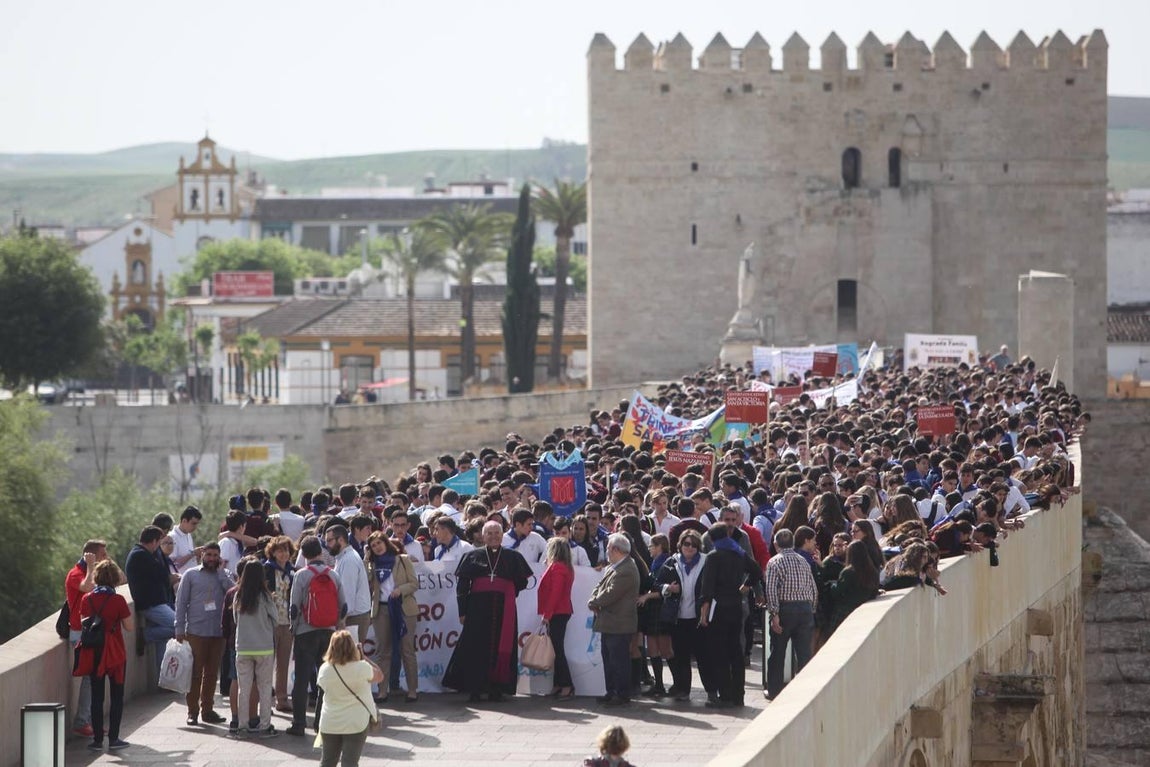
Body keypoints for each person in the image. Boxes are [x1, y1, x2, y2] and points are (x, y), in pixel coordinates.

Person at [443, 520, 533, 702]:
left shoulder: (512, 556)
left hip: (503, 609)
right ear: (483, 536)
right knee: (475, 648)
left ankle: (496, 688)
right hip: (477, 609)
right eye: (489, 533)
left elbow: (522, 581)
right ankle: (474, 688)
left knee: (501, 645)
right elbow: (462, 586)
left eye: (497, 533)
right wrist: (463, 611)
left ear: (502, 535)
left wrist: (507, 591)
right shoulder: (472, 556)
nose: (493, 536)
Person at [286, 535, 348, 737]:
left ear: (303, 554)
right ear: (321, 553)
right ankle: (321, 722)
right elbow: (343, 606)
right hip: (329, 632)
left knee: (302, 679)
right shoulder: (334, 574)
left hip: (306, 631)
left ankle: (298, 723)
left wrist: (293, 628)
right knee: (325, 679)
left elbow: (294, 607)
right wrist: (337, 627)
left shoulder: (301, 575)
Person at [698, 522, 764, 708]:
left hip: (718, 608)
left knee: (719, 651)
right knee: (736, 651)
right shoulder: (739, 553)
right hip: (736, 604)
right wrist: (746, 585)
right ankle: (738, 695)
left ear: (712, 539)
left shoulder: (713, 556)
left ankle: (725, 693)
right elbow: (757, 571)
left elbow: (708, 587)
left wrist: (704, 612)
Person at [174, 541, 234, 726]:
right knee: (195, 673)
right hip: (196, 631)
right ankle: (193, 712)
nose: (212, 559)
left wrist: (221, 574)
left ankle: (208, 710)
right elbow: (181, 602)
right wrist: (179, 627)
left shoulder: (224, 575)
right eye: (209, 555)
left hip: (218, 632)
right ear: (202, 556)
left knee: (211, 674)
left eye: (215, 556)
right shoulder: (190, 575)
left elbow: (233, 593)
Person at [78, 559, 134, 752]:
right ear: (115, 579)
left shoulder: (87, 599)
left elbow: (83, 622)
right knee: (117, 696)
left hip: (94, 652)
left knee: (96, 696)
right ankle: (114, 738)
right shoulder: (118, 600)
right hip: (115, 652)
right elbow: (129, 626)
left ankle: (97, 740)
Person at [365, 531, 420, 703]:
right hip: (381, 610)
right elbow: (366, 581)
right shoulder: (372, 565)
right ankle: (382, 691)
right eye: (373, 546)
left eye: (379, 543)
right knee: (383, 651)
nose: (377, 548)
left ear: (385, 543)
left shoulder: (402, 559)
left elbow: (414, 583)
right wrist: (367, 559)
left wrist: (400, 590)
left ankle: (412, 690)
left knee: (407, 650)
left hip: (403, 608)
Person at [764, 528, 818, 700]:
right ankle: (805, 691)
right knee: (803, 653)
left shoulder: (774, 562)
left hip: (785, 609)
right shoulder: (803, 561)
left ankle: (774, 690)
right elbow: (812, 587)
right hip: (805, 609)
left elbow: (771, 590)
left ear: (776, 544)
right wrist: (812, 609)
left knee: (778, 652)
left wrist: (774, 614)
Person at [655, 529, 709, 701]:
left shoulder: (705, 562)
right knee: (680, 655)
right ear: (680, 545)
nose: (690, 548)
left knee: (703, 656)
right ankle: (683, 689)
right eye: (686, 544)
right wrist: (668, 589)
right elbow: (657, 583)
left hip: (699, 617)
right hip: (677, 617)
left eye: (694, 545)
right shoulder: (672, 562)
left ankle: (711, 691)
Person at [64, 539, 111, 738]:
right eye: (102, 554)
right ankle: (82, 721)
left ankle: (89, 721)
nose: (105, 557)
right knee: (90, 678)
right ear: (90, 556)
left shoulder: (96, 571)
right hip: (80, 633)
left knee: (94, 677)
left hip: (93, 631)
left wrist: (103, 564)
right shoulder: (75, 573)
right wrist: (91, 565)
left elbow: (122, 579)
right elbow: (87, 587)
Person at [587, 533, 640, 706]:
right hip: (609, 622)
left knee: (619, 661)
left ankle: (621, 693)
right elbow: (600, 586)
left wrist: (594, 602)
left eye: (609, 548)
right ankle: (611, 691)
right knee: (609, 660)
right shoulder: (614, 567)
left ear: (616, 549)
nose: (607, 551)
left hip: (619, 623)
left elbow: (611, 593)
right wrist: (594, 599)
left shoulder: (627, 569)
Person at [317, 630, 383, 767]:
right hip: (356, 722)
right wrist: (363, 657)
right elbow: (380, 675)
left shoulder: (324, 670)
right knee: (350, 763)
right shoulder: (362, 668)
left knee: (327, 762)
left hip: (330, 722)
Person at [233, 555, 279, 738]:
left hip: (243, 647)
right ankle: (265, 726)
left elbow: (236, 620)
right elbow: (275, 620)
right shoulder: (265, 596)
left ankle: (242, 726)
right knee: (265, 688)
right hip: (264, 647)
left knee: (243, 689)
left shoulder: (238, 595)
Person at [125, 525, 177, 660]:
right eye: (159, 542)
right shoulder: (141, 555)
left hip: (156, 602)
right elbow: (161, 574)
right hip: (151, 605)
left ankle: (161, 680)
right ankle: (146, 635)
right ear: (154, 541)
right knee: (180, 627)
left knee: (162, 647)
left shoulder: (144, 554)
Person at [537, 536, 576, 698]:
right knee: (556, 649)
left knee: (557, 650)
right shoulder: (564, 567)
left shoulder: (558, 567)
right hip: (561, 611)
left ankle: (566, 684)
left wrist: (547, 614)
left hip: (557, 612)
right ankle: (559, 683)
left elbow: (555, 593)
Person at [262, 536, 295, 712]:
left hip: (287, 622)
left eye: (287, 550)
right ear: (273, 552)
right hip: (270, 622)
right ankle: (265, 697)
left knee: (283, 663)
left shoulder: (293, 571)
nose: (284, 554)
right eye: (280, 550)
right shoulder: (266, 569)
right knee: (267, 662)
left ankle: (282, 699)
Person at [824, 540, 881, 638]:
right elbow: (874, 591)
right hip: (863, 611)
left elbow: (836, 592)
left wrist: (831, 585)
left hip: (844, 611)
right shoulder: (873, 572)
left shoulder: (848, 572)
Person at [326, 524, 371, 643]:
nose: (327, 545)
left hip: (353, 618)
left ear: (340, 539)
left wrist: (341, 622)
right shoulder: (343, 557)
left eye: (330, 541)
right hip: (352, 616)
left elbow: (347, 596)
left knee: (351, 659)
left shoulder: (348, 560)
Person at [170, 506, 205, 575]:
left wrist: (197, 556)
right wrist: (193, 553)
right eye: (193, 523)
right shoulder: (172, 537)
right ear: (184, 521)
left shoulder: (188, 535)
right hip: (179, 582)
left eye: (197, 524)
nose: (195, 527)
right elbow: (173, 565)